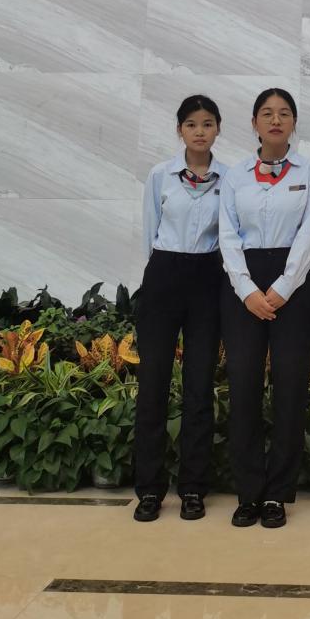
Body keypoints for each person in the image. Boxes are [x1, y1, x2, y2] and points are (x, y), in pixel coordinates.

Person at [218, 88, 310, 528]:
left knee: (290, 388)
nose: (275, 120)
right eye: (267, 113)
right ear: (254, 123)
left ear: (294, 123)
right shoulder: (235, 175)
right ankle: (248, 493)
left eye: (284, 114)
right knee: (243, 385)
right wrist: (247, 290)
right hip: (243, 284)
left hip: (294, 284)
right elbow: (227, 235)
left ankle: (278, 494)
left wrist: (282, 287)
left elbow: (309, 234)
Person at [133, 94, 226, 523]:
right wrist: (160, 273)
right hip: (164, 274)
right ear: (179, 130)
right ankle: (149, 490)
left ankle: (192, 488)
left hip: (208, 277)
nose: (200, 131)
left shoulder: (229, 178)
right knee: (153, 384)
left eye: (207, 123)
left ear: (218, 129)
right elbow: (150, 230)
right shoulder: (161, 175)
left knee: (199, 386)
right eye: (191, 124)